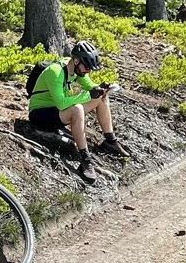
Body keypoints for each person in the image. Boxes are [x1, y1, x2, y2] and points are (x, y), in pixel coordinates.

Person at [28, 39, 126, 181]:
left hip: (57, 110)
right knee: (77, 109)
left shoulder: (75, 68)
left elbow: (89, 85)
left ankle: (110, 141)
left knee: (101, 97)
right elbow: (62, 103)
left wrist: (100, 88)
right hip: (40, 113)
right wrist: (87, 95)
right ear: (76, 61)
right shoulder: (55, 72)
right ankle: (85, 159)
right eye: (87, 67)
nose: (88, 71)